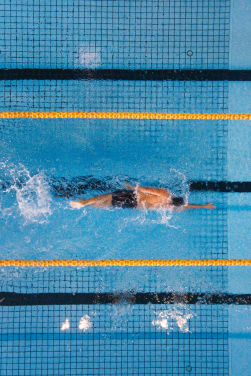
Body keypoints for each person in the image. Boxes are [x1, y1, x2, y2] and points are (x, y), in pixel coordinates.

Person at [70, 183, 216, 211]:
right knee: (104, 203)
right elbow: (185, 206)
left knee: (105, 196)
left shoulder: (166, 194)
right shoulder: (169, 205)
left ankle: (83, 202)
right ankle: (84, 203)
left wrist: (133, 187)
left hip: (134, 197)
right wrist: (203, 206)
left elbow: (149, 189)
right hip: (134, 205)